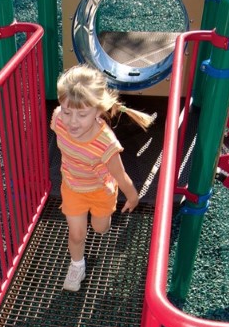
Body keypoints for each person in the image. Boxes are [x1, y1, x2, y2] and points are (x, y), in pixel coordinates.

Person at [50, 64, 155, 292]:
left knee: (99, 228)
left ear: (98, 111)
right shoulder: (58, 120)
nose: (72, 121)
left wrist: (132, 196)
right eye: (67, 111)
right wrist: (64, 114)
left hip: (100, 190)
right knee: (76, 234)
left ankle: (103, 219)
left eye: (82, 114)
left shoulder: (105, 143)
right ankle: (77, 265)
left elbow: (120, 174)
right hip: (73, 187)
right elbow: (64, 121)